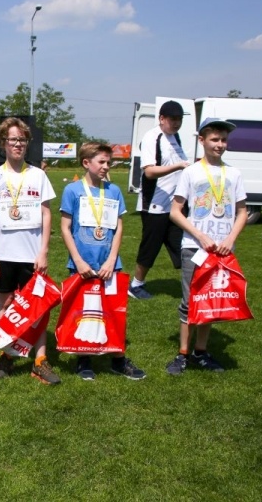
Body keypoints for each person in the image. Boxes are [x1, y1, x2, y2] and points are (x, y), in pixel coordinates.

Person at [0, 117, 59, 384]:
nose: (18, 144)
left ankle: (40, 360)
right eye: (13, 139)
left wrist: (43, 251)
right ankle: (7, 354)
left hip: (32, 254)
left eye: (22, 140)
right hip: (4, 253)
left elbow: (46, 214)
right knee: (4, 303)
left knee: (38, 307)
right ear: (3, 143)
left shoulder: (38, 175)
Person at [166, 118, 247, 375]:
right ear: (202, 140)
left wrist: (230, 239)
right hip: (195, 248)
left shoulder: (234, 174)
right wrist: (199, 235)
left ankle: (201, 352)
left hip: (222, 250)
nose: (220, 144)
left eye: (223, 140)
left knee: (211, 301)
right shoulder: (191, 172)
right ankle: (182, 354)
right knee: (190, 301)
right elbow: (175, 211)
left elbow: (242, 212)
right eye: (214, 139)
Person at [60, 142, 146, 381]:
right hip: (81, 265)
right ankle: (83, 359)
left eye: (109, 162)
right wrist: (78, 260)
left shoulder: (114, 191)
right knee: (82, 312)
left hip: (110, 265)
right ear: (86, 163)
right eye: (101, 162)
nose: (106, 166)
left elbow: (118, 228)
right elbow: (65, 228)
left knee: (113, 312)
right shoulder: (72, 190)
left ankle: (118, 359)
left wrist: (111, 260)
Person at [130, 99, 190, 299]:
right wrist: (178, 166)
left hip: (174, 205)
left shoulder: (175, 137)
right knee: (151, 246)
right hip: (154, 204)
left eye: (179, 119)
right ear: (161, 118)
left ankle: (193, 285)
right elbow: (149, 172)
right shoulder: (152, 137)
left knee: (184, 244)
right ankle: (136, 285)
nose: (177, 123)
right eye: (173, 119)